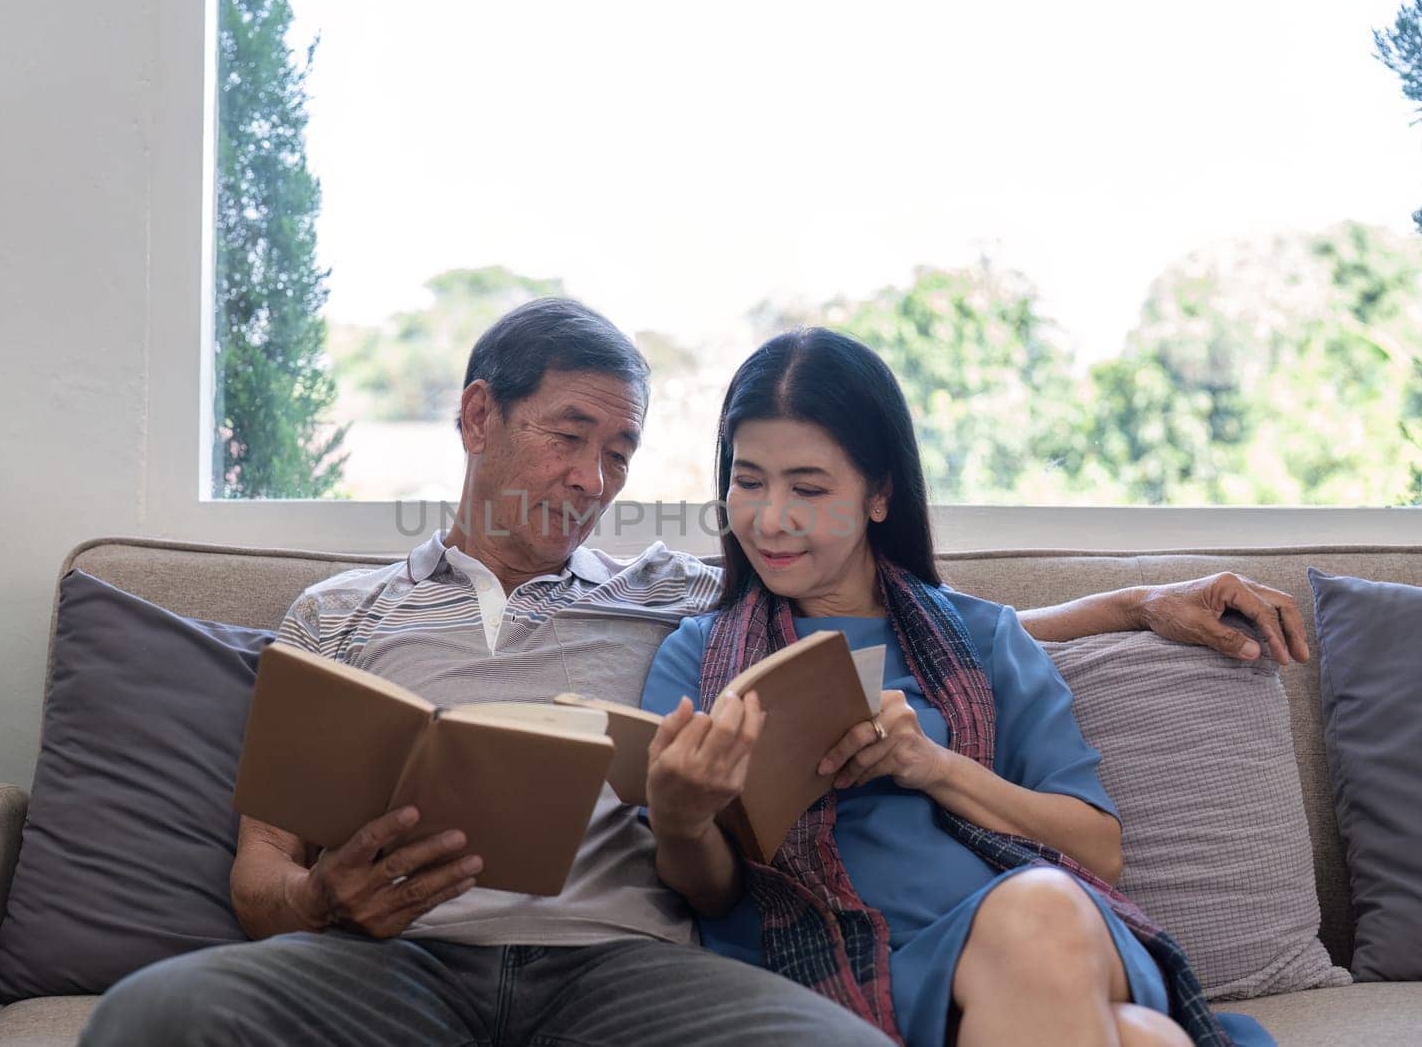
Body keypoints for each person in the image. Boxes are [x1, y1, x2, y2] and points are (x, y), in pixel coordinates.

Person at [81, 300, 1306, 1046]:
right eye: (569, 435)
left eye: (619, 451)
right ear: (474, 418)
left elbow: (924, 622)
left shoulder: (679, 596)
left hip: (622, 976)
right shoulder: (336, 613)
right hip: (386, 962)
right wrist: (327, 901)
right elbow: (259, 876)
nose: (593, 478)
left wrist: (1143, 602)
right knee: (154, 1015)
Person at [640, 328, 1285, 1046]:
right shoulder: (694, 658)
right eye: (749, 480)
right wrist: (680, 818)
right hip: (829, 972)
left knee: (1038, 912)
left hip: (1039, 932)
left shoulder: (984, 639)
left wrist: (935, 766)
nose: (770, 517)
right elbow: (711, 891)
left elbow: (1097, 849)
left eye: (809, 487)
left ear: (880, 493)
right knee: (1145, 1038)